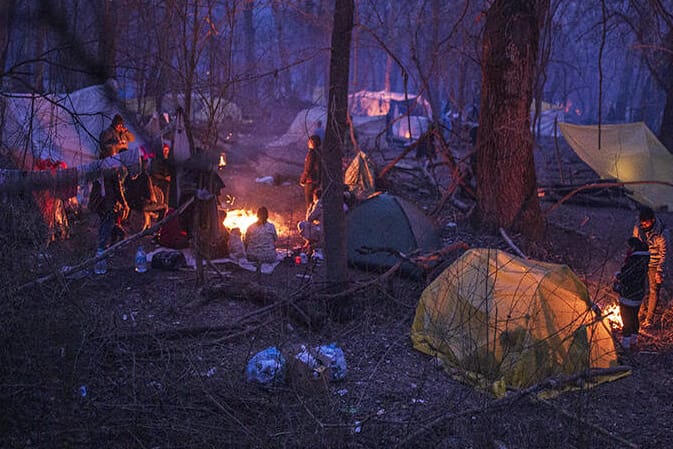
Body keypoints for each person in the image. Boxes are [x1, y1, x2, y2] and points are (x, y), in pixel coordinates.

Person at [632, 206, 669, 328]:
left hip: (655, 263)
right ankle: (639, 313)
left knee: (654, 290)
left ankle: (649, 319)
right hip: (642, 261)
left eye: (646, 223)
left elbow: (665, 254)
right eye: (641, 223)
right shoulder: (638, 228)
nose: (643, 225)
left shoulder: (663, 233)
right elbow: (635, 244)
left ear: (652, 220)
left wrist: (659, 271)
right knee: (639, 287)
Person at [613, 237, 650, 350]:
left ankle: (626, 344)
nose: (627, 249)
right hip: (638, 293)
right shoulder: (644, 259)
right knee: (634, 317)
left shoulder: (634, 260)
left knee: (626, 319)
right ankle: (634, 341)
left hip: (629, 293)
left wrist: (618, 276)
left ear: (633, 247)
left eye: (628, 247)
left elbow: (627, 276)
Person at [300, 135, 322, 210]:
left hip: (310, 181)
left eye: (309, 141)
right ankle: (315, 216)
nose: (308, 143)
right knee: (315, 200)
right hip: (317, 180)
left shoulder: (311, 154)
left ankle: (310, 217)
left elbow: (308, 169)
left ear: (313, 142)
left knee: (309, 202)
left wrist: (303, 180)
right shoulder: (319, 152)